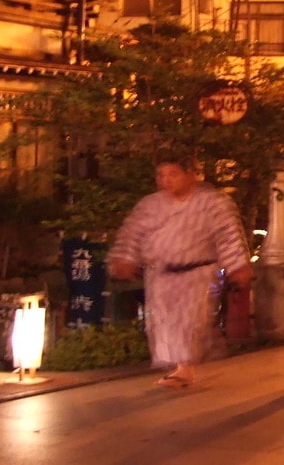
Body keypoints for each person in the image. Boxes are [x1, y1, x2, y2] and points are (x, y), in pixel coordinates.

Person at [107, 152, 253, 388]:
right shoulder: (149, 205)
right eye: (161, 175)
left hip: (199, 273)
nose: (166, 180)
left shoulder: (213, 203)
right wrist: (124, 259)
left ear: (191, 175)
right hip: (160, 274)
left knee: (191, 322)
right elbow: (131, 234)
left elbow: (228, 236)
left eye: (173, 174)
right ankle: (179, 366)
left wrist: (237, 266)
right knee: (162, 323)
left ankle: (185, 368)